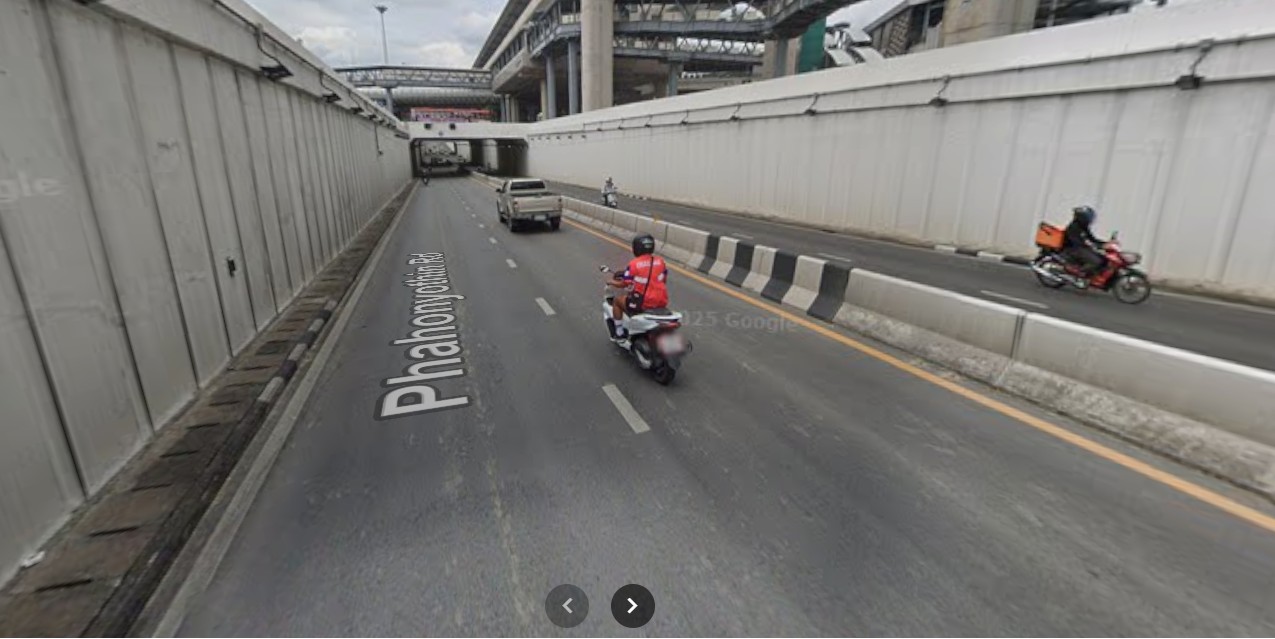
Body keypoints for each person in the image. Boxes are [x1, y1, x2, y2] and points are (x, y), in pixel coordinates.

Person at [608, 234, 669, 340]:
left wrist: (611, 282)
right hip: (661, 301)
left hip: (643, 303)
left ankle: (619, 332)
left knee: (617, 301)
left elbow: (624, 283)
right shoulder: (661, 262)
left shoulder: (634, 264)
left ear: (636, 248)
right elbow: (663, 280)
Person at [1063, 205, 1106, 277]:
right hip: (1072, 249)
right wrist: (1092, 246)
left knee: (1102, 257)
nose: (1090, 220)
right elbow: (1076, 242)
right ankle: (1080, 272)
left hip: (1079, 248)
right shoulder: (1073, 227)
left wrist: (1105, 244)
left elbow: (1092, 239)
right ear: (1082, 217)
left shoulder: (1083, 227)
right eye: (1088, 218)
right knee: (1096, 261)